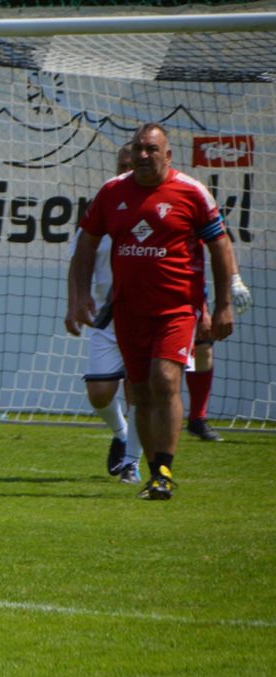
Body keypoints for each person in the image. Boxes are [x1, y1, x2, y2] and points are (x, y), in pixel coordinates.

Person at [68, 123, 237, 500]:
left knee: (164, 380)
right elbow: (85, 245)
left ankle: (163, 471)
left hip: (176, 308)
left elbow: (221, 248)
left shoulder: (191, 192)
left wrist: (223, 304)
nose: (144, 155)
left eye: (151, 149)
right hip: (128, 311)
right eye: (139, 148)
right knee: (140, 393)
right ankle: (146, 468)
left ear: (168, 154)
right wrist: (78, 297)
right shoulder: (113, 192)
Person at [64, 146, 143, 485]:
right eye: (121, 165)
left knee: (140, 391)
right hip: (106, 316)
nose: (125, 172)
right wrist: (74, 303)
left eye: (131, 166)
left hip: (146, 314)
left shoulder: (156, 206)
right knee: (98, 393)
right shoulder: (104, 208)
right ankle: (122, 432)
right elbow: (78, 259)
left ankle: (132, 462)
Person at [184, 267, 252, 442]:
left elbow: (222, 244)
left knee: (203, 346)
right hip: (145, 288)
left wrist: (235, 279)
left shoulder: (200, 240)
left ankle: (197, 417)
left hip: (189, 290)